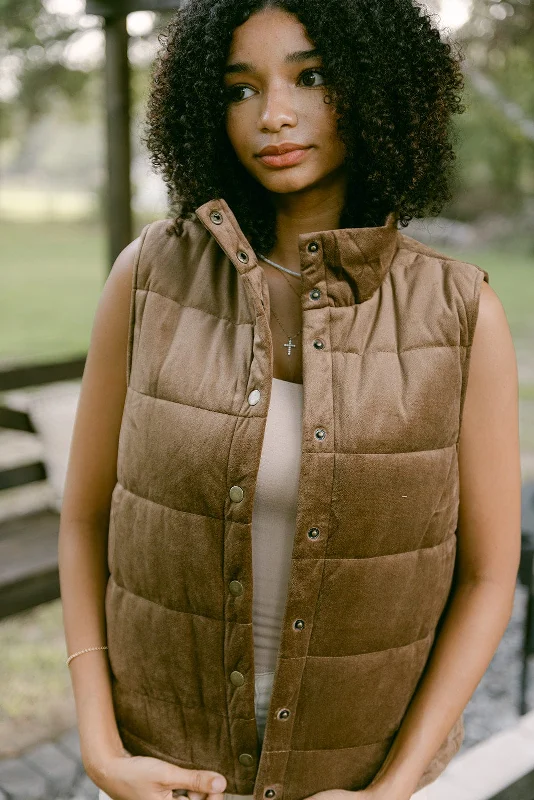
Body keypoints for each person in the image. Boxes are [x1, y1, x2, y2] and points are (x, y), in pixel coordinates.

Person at [59, 1, 521, 800]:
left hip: (352, 783)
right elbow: (85, 516)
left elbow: (488, 575)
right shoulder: (148, 275)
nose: (273, 116)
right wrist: (103, 752)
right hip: (160, 772)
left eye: (312, 77)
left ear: (378, 88)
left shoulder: (462, 313)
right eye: (241, 89)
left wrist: (390, 792)